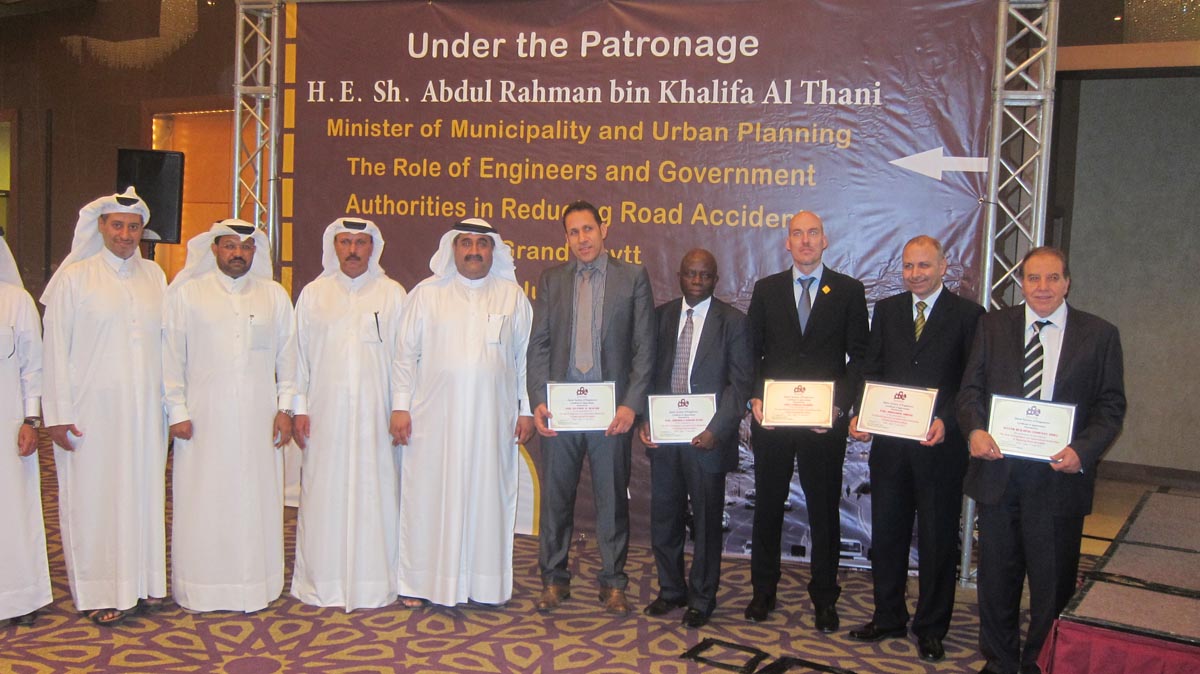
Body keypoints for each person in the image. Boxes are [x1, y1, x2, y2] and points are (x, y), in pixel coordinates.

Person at [957, 246, 1125, 674]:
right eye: (1033, 278)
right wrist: (975, 430)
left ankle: (1040, 662)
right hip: (999, 472)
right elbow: (970, 391)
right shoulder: (993, 326)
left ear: (1067, 282)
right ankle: (999, 662)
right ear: (1021, 283)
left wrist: (1082, 451)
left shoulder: (1100, 334)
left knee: (1052, 585)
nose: (1043, 287)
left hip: (1058, 479)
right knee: (997, 579)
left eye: (1052, 278)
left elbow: (1110, 408)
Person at [847, 235, 984, 661]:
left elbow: (971, 382)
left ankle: (931, 627)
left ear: (943, 267)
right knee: (887, 535)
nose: (915, 274)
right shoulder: (887, 311)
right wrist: (862, 412)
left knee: (937, 541)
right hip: (890, 447)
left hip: (939, 447)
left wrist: (947, 421)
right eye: (908, 266)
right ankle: (888, 615)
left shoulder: (969, 315)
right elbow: (872, 369)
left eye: (924, 265)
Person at [40, 187, 167, 626]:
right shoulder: (75, 278)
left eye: (133, 227)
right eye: (117, 226)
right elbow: (55, 349)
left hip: (145, 412)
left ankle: (142, 584)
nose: (125, 235)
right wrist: (57, 414)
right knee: (95, 499)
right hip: (89, 413)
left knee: (143, 495)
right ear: (101, 227)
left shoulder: (155, 275)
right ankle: (98, 592)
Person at [393, 218, 533, 608]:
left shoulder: (511, 297)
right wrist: (400, 406)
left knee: (487, 497)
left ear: (493, 250)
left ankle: (484, 586)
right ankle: (420, 583)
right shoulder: (426, 295)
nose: (474, 251)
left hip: (493, 420)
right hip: (434, 420)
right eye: (466, 243)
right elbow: (404, 356)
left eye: (482, 244)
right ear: (452, 249)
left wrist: (524, 409)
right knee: (430, 498)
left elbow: (524, 360)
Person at [163, 219, 298, 613]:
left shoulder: (273, 296)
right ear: (214, 249)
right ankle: (201, 588)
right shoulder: (188, 294)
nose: (238, 253)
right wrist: (177, 410)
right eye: (230, 246)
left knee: (257, 500)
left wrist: (285, 408)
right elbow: (171, 358)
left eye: (246, 247)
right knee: (203, 500)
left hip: (260, 419)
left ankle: (256, 585)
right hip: (203, 420)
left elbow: (289, 358)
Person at [528, 200, 655, 615]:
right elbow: (539, 344)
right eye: (573, 232)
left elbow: (644, 347)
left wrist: (631, 406)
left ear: (604, 229)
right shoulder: (552, 280)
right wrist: (539, 400)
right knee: (556, 500)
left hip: (609, 413)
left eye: (588, 229)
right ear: (565, 237)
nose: (582, 239)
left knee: (612, 500)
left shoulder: (631, 276)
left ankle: (613, 582)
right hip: (561, 409)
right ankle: (553, 580)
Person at [745, 210, 869, 630]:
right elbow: (751, 352)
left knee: (823, 512)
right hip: (774, 421)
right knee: (767, 507)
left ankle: (825, 598)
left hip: (823, 422)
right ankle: (763, 592)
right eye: (797, 234)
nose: (805, 241)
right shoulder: (766, 290)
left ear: (825, 239)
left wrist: (839, 407)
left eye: (812, 233)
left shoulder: (848, 291)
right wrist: (755, 396)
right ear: (787, 242)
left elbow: (860, 357)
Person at [290, 218, 407, 611]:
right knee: (323, 496)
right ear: (334, 246)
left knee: (378, 495)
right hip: (325, 417)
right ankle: (321, 582)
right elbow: (299, 358)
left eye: (360, 242)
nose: (353, 250)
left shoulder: (393, 295)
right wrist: (299, 408)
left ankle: (375, 583)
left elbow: (404, 360)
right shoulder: (314, 295)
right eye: (345, 242)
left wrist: (399, 407)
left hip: (377, 418)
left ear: (373, 248)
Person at [638, 249, 752, 628]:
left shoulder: (733, 322)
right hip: (666, 438)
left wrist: (716, 430)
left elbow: (740, 385)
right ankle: (671, 590)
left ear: (716, 279)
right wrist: (645, 421)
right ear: (679, 276)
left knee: (705, 523)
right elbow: (647, 373)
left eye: (705, 275)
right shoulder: (661, 317)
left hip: (708, 440)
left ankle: (702, 599)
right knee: (664, 519)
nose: (697, 281)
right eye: (691, 273)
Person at [0, 231, 51, 628]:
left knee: (12, 511)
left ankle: (16, 597)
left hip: (8, 426)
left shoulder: (16, 301)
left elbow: (33, 367)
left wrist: (31, 419)